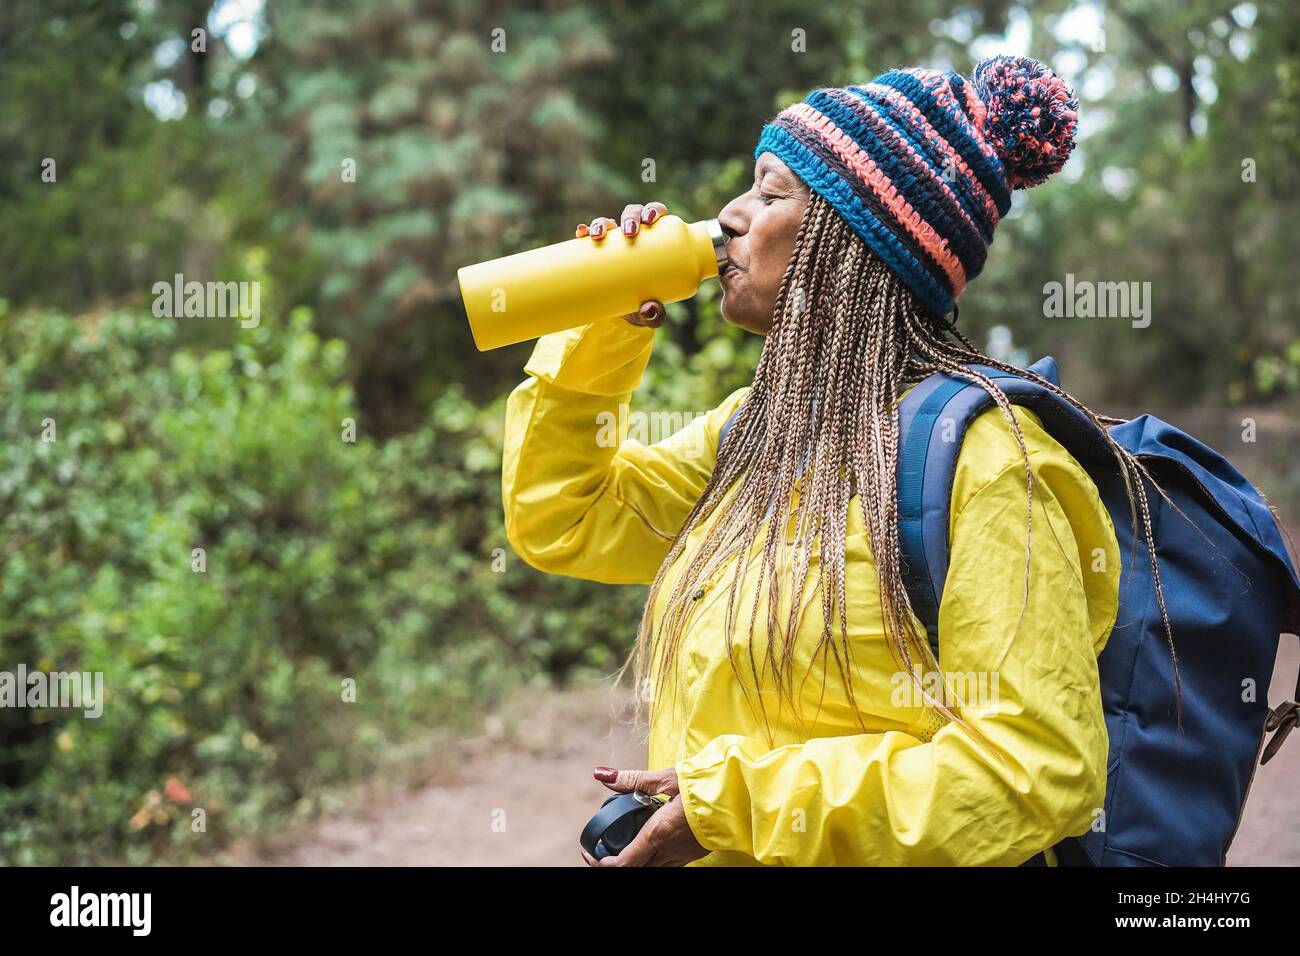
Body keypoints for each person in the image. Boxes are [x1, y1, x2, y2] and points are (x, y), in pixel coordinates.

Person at [502, 56, 1164, 866]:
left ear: (854, 240)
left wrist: (732, 807)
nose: (729, 216)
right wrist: (600, 324)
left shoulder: (987, 466)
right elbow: (565, 517)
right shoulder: (757, 434)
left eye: (772, 192)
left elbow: (1035, 771)